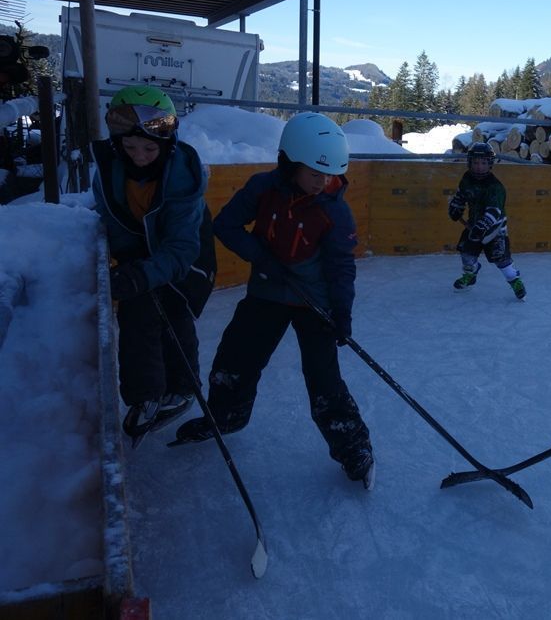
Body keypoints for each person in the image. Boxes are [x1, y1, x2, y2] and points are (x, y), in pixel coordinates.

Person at [172, 112, 375, 489]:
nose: (324, 182)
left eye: (329, 175)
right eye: (315, 173)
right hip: (267, 292)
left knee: (323, 379)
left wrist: (341, 313)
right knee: (235, 358)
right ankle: (226, 415)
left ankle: (353, 446)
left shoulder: (334, 210)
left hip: (313, 303)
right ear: (289, 163)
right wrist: (262, 257)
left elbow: (341, 267)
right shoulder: (263, 188)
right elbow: (225, 225)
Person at [92, 85, 216, 442]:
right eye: (130, 148)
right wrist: (131, 263)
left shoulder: (182, 177)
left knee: (174, 308)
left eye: (149, 148)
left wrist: (142, 274)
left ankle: (182, 387)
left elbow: (180, 248)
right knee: (138, 311)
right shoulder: (111, 170)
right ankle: (145, 395)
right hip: (142, 251)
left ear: (166, 143)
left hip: (187, 250)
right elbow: (111, 216)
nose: (140, 156)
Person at [448, 142, 526, 300]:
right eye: (476, 162)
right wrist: (456, 206)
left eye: (483, 163)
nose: (479, 167)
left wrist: (482, 226)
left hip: (495, 231)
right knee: (466, 255)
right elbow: (462, 195)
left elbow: (494, 211)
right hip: (473, 227)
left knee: (502, 261)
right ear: (470, 162)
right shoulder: (466, 179)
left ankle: (515, 280)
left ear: (490, 164)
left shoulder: (495, 187)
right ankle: (471, 274)